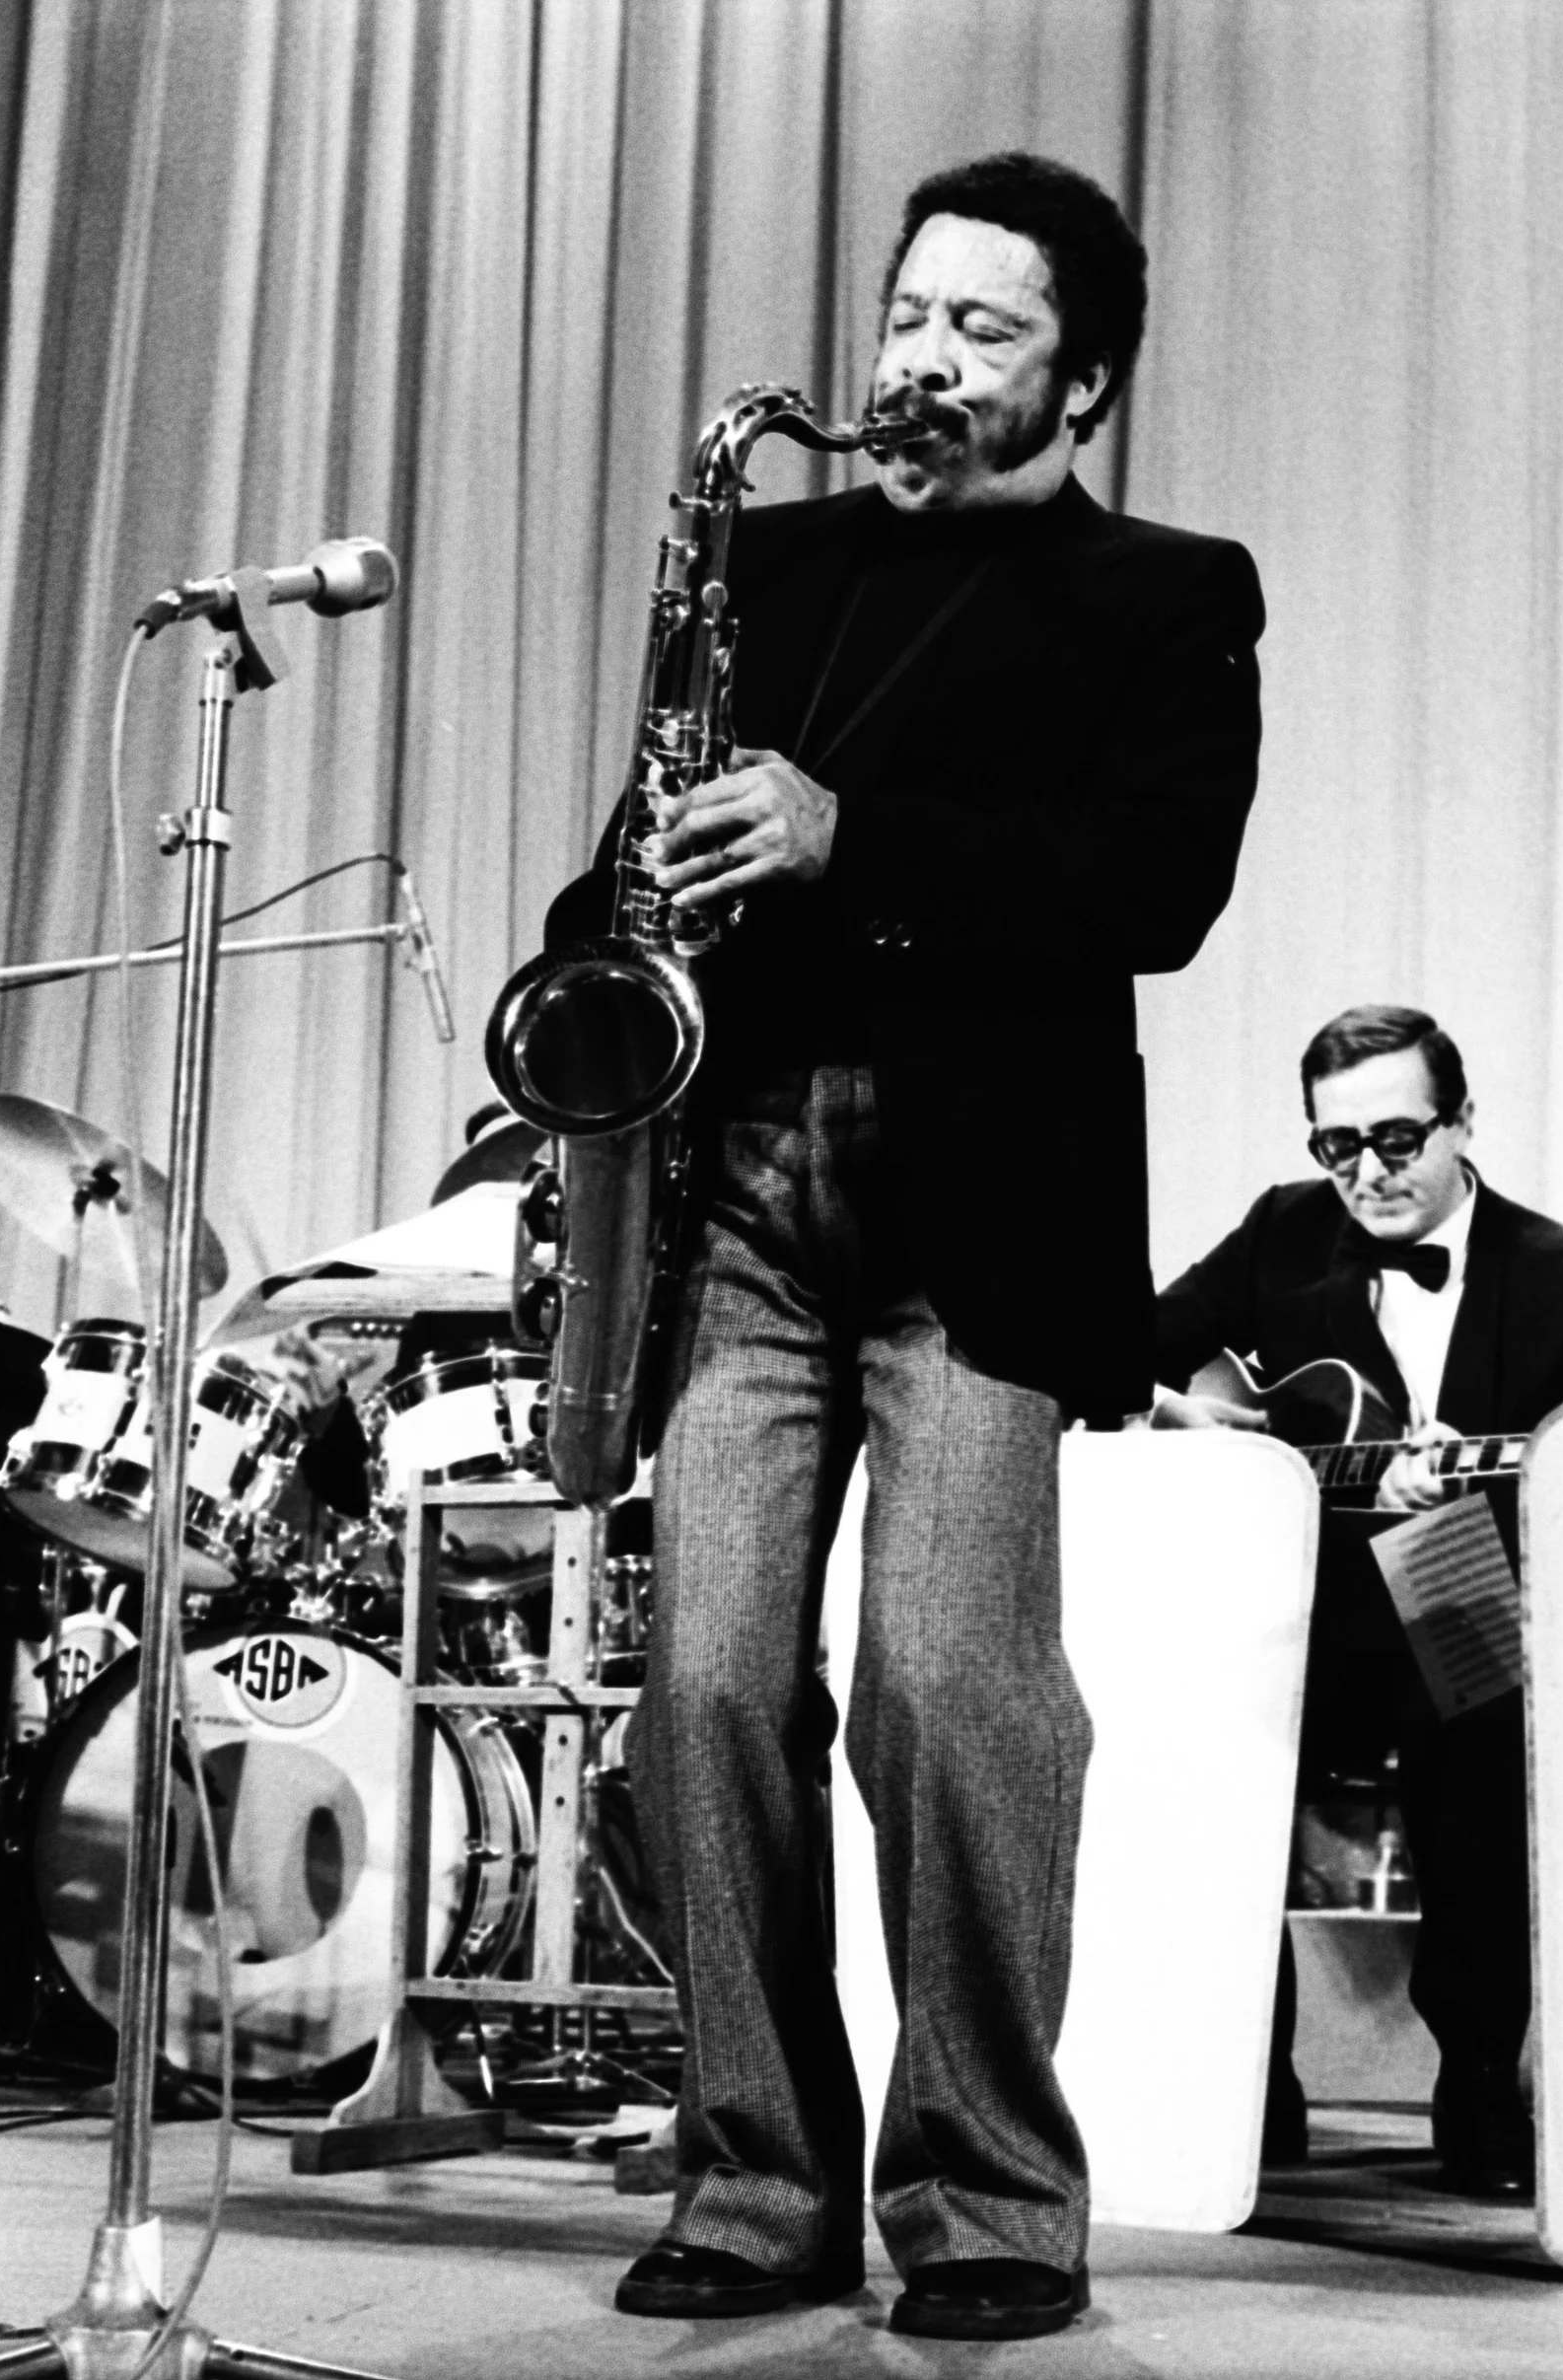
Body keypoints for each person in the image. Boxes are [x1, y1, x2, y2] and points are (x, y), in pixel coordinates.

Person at [546, 151, 1265, 2340]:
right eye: (907, 314)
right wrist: (609, 931)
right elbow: (633, 859)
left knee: (953, 1695)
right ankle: (757, 2181)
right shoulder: (763, 562)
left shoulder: (1165, 593)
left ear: (1085, 380)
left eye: (983, 330)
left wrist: (848, 837)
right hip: (744, 1187)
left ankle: (987, 2200)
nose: (921, 362)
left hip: (981, 1212)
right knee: (703, 1690)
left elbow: (1150, 891)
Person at [1156, 1003, 1563, 2198]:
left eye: (1395, 1138)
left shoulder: (1550, 1272)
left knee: (1482, 1756)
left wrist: (1489, 1486)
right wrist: (1186, 1414)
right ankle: (1248, 2086)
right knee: (1208, 1747)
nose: (1367, 1172)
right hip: (1302, 1583)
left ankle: (1478, 2084)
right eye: (1337, 1145)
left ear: (1461, 1121)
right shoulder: (1282, 1231)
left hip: (1455, 1567)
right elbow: (1130, 1341)